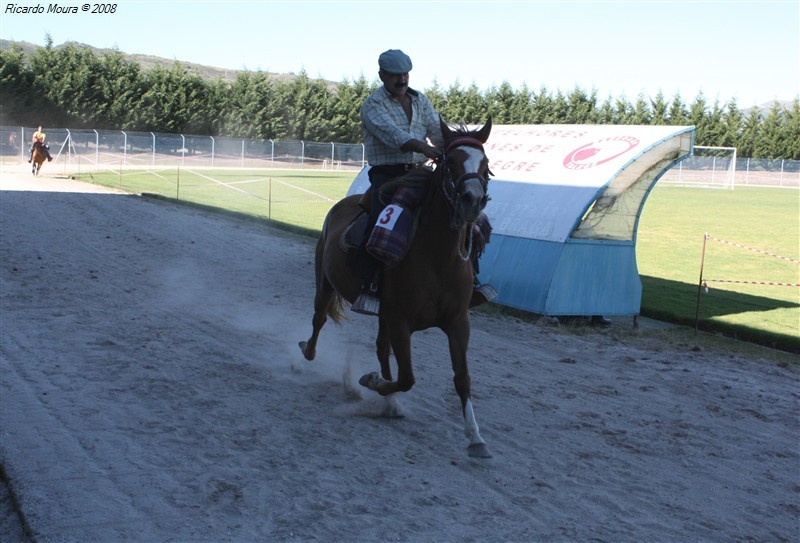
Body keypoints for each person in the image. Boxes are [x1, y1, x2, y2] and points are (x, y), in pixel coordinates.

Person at [352, 49, 496, 315]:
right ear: (382, 75)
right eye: (395, 75)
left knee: (469, 217)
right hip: (388, 175)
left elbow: (437, 132)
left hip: (421, 171)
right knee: (381, 218)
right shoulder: (373, 105)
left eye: (405, 74)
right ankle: (370, 284)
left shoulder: (420, 100)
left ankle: (471, 278)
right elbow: (393, 135)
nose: (402, 80)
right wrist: (425, 148)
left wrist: (453, 150)